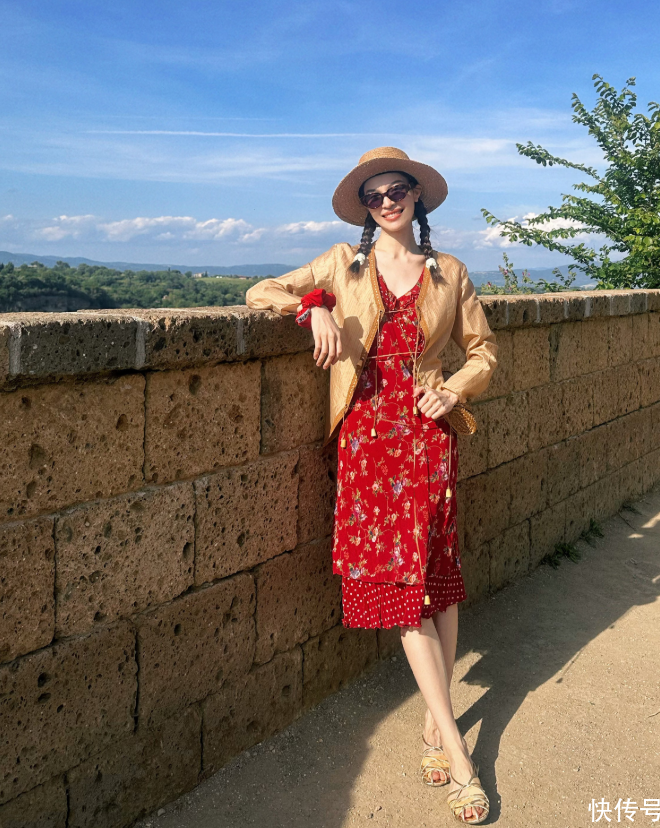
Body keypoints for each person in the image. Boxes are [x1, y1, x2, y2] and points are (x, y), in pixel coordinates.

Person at [245, 147, 498, 824]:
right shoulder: (341, 263)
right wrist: (315, 309)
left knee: (436, 575)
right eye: (374, 195)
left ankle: (434, 727)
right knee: (403, 588)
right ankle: (459, 753)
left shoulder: (450, 272)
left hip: (428, 435)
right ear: (363, 206)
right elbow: (260, 292)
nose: (387, 202)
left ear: (417, 195)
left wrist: (454, 390)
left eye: (397, 190)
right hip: (367, 441)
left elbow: (484, 352)